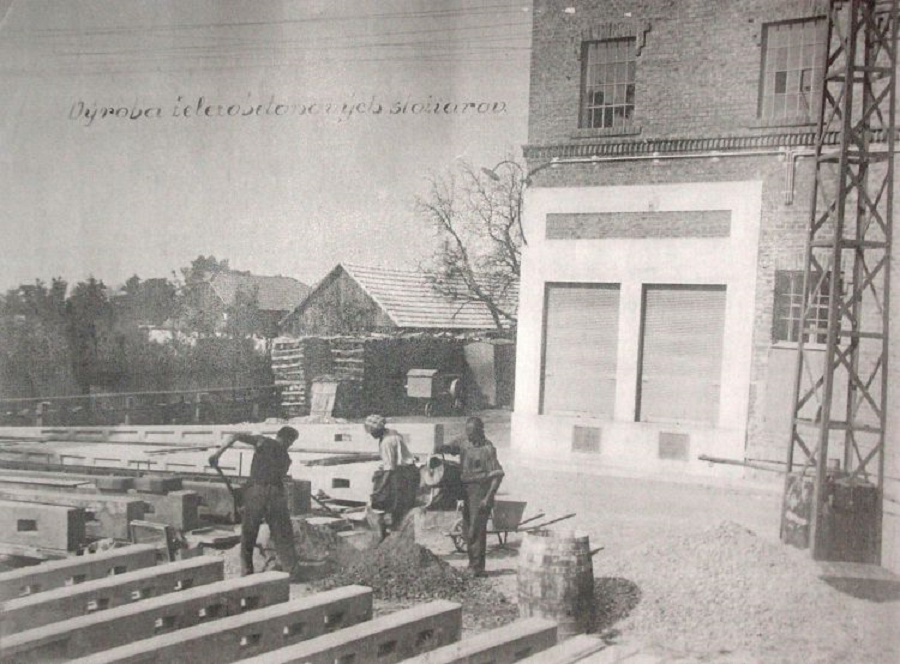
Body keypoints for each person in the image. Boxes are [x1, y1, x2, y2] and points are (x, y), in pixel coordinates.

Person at [208, 426, 299, 577]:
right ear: (286, 438)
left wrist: (218, 454)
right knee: (283, 533)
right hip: (275, 495)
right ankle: (291, 571)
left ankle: (246, 572)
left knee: (249, 533)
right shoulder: (285, 457)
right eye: (291, 441)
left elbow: (235, 435)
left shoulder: (263, 442)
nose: (291, 445)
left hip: (256, 492)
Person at [436, 417, 504, 576]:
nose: (469, 435)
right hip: (465, 489)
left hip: (480, 491)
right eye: (467, 432)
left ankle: (477, 568)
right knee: (467, 530)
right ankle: (472, 564)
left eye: (472, 432)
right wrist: (442, 448)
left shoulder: (488, 449)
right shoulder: (464, 442)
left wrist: (488, 498)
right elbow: (453, 448)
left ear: (480, 431)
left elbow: (498, 475)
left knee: (476, 530)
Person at [364, 414, 419, 532]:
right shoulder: (392, 433)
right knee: (400, 504)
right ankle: (395, 526)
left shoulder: (386, 442)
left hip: (403, 474)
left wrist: (380, 488)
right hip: (409, 470)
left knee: (394, 502)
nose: (371, 434)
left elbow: (389, 469)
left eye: (372, 432)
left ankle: (394, 529)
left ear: (377, 430)